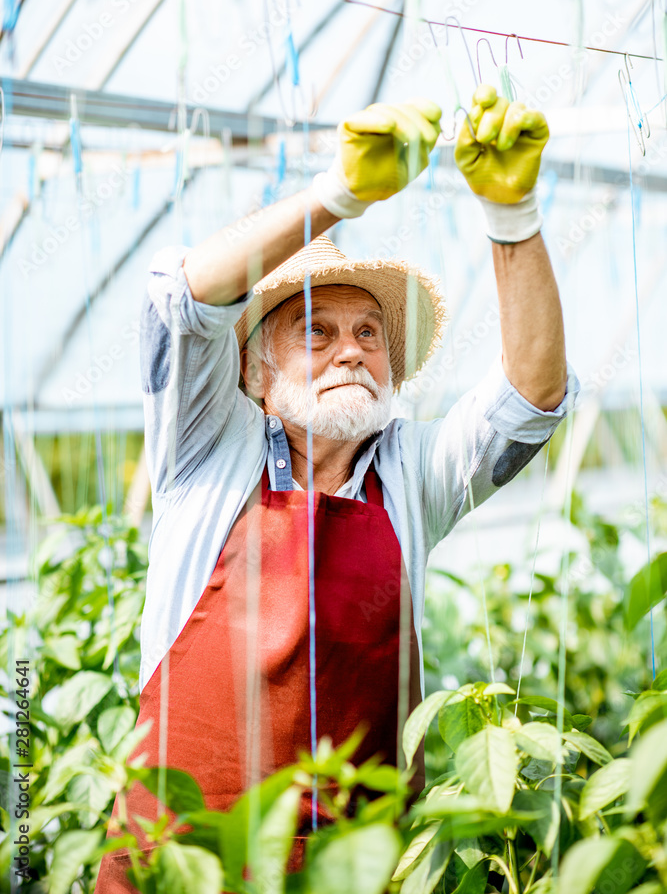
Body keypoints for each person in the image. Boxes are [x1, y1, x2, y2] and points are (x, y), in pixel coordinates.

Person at [96, 87, 578, 891]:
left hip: (352, 864)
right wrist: (337, 195)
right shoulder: (205, 449)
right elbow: (181, 302)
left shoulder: (409, 474)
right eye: (313, 331)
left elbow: (529, 403)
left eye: (367, 336)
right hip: (183, 860)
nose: (349, 351)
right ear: (255, 370)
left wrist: (513, 218)